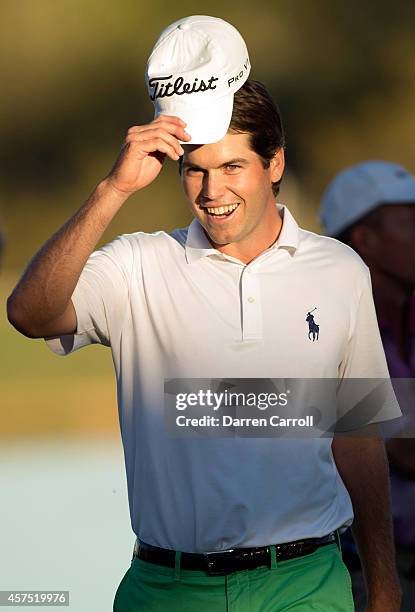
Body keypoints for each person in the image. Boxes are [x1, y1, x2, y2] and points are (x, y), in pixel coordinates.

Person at [7, 16, 403, 612]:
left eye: (232, 167)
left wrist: (384, 583)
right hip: (165, 589)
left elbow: (359, 434)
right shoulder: (137, 263)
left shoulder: (340, 269)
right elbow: (29, 314)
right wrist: (112, 190)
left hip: (305, 584)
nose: (211, 191)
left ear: (274, 164)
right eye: (194, 169)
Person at [320, 160, 415, 611]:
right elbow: (404, 450)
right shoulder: (333, 330)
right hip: (368, 571)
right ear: (365, 240)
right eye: (410, 222)